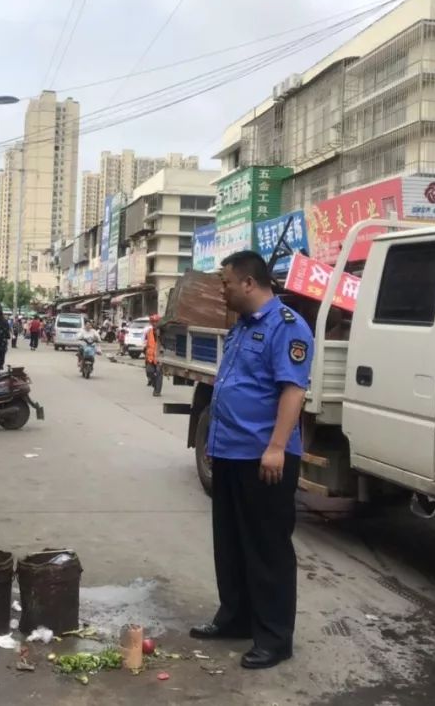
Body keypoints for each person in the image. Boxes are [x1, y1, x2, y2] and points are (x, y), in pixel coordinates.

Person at [188, 251, 313, 672]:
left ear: (248, 283)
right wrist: (214, 442)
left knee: (266, 550)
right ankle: (236, 618)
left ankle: (274, 639)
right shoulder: (242, 326)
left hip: (264, 458)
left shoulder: (287, 326)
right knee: (231, 543)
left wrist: (276, 446)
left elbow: (293, 390)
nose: (221, 289)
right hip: (229, 452)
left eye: (225, 282)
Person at [145, 313, 163, 397]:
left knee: (159, 373)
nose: (155, 323)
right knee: (149, 372)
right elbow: (147, 343)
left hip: (160, 357)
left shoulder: (163, 333)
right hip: (150, 357)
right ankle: (154, 383)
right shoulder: (149, 332)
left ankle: (157, 391)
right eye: (153, 322)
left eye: (156, 322)